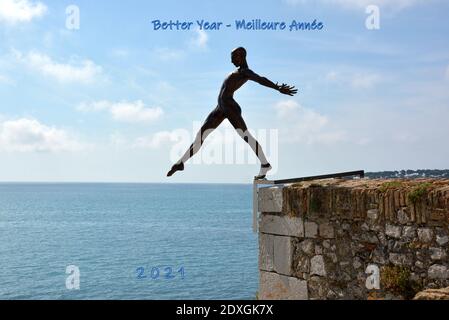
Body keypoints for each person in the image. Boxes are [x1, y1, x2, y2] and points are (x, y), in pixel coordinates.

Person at [167, 47, 298, 179]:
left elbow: (260, 79)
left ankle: (265, 164)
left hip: (230, 107)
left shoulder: (245, 72)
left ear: (241, 56)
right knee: (200, 135)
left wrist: (278, 87)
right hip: (220, 107)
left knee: (246, 136)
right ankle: (180, 163)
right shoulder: (238, 71)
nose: (231, 61)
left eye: (233, 58)